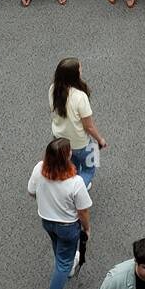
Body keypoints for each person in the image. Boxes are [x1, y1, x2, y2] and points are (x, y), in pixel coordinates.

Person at [28, 138, 92, 289]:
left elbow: (31, 191)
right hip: (68, 226)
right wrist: (86, 229)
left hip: (47, 221)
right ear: (67, 157)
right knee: (62, 264)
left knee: (59, 248)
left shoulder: (39, 169)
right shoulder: (75, 182)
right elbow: (83, 211)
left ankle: (69, 263)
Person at [50, 58, 107, 190]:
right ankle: (77, 191)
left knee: (71, 165)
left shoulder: (53, 89)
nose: (82, 71)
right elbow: (89, 126)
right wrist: (100, 140)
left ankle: (71, 183)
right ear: (73, 76)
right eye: (80, 69)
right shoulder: (80, 97)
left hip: (60, 139)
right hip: (80, 143)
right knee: (89, 169)